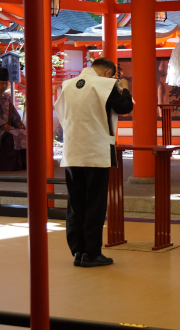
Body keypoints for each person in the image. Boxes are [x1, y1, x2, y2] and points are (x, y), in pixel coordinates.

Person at [55, 58, 133, 268]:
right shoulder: (104, 84)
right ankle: (92, 253)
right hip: (96, 151)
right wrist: (125, 89)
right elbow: (124, 106)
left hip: (72, 151)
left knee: (76, 203)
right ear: (108, 73)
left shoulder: (67, 85)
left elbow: (61, 115)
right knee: (94, 203)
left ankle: (78, 251)